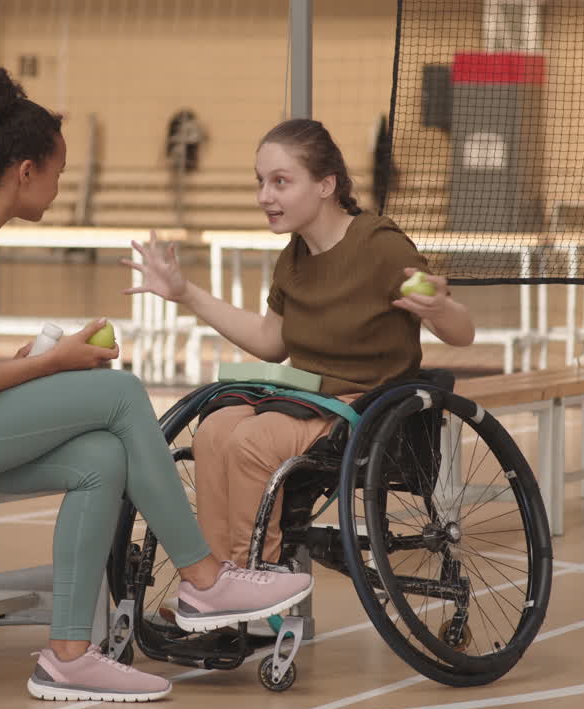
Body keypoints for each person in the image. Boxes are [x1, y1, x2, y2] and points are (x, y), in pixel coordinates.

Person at [0, 67, 312, 703]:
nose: (61, 187)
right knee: (119, 395)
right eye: (59, 172)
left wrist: (28, 360)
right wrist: (51, 362)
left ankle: (66, 656)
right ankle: (203, 577)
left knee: (101, 457)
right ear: (25, 170)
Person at [125, 118, 474, 633]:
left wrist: (439, 308)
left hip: (367, 404)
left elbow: (461, 331)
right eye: (260, 181)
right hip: (308, 398)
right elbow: (272, 341)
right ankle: (211, 585)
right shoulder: (293, 259)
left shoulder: (379, 244)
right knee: (216, 431)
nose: (265, 195)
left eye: (280, 181)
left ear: (326, 185)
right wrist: (185, 294)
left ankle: (250, 577)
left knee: (253, 439)